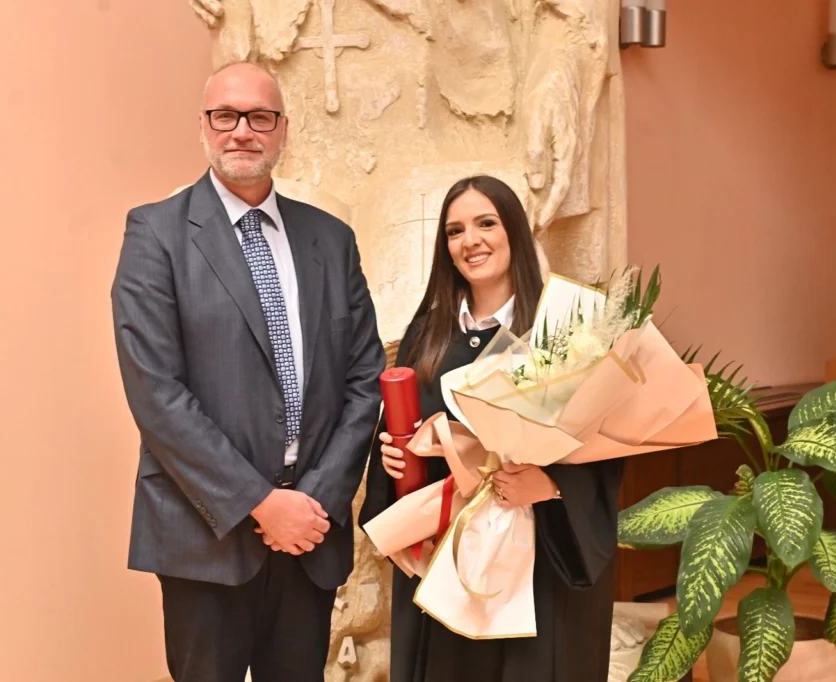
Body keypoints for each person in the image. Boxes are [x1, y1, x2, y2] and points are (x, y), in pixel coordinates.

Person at [111, 61, 385, 682]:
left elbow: (364, 376)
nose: (242, 131)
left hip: (309, 534)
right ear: (203, 127)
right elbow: (156, 393)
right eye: (226, 116)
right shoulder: (156, 233)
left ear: (282, 130)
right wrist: (260, 503)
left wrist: (316, 500)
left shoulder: (331, 240)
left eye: (260, 117)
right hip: (205, 535)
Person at [358, 175, 624, 682]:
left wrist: (551, 485)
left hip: (539, 561)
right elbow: (400, 434)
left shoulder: (562, 329)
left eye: (486, 223)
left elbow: (604, 445)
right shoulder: (428, 333)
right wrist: (392, 460)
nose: (470, 241)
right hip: (451, 555)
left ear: (514, 232)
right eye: (455, 231)